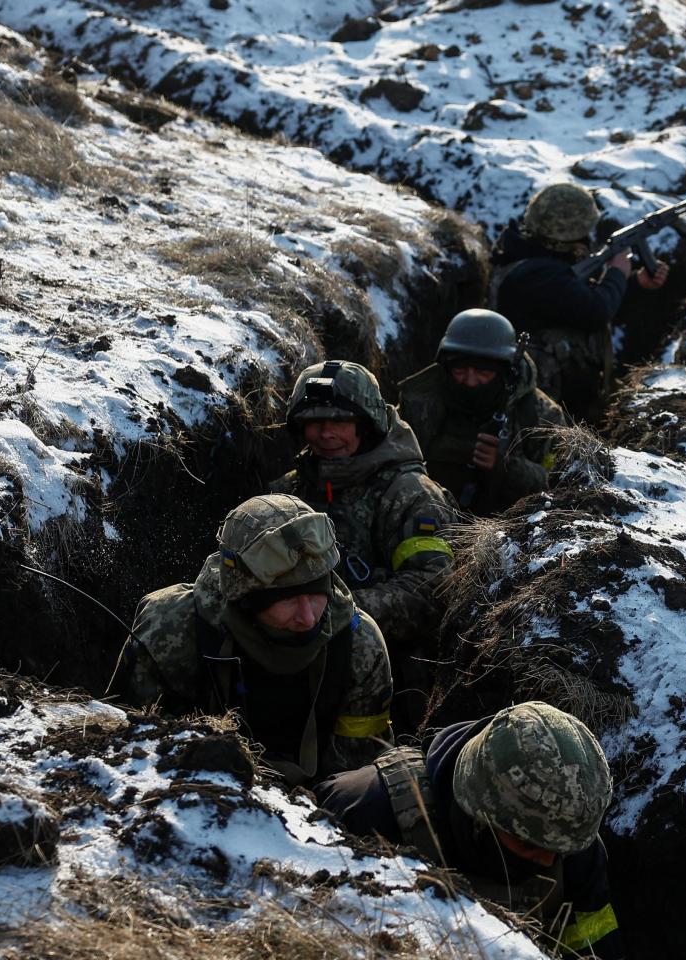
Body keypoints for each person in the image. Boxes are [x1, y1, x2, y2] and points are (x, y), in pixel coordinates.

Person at [313, 702, 623, 958]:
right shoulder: (362, 810)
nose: (547, 862)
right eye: (528, 846)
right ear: (478, 814)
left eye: (560, 851)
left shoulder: (566, 838)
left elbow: (594, 948)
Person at [123, 495, 391, 784]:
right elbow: (130, 754)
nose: (308, 618)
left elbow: (358, 770)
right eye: (288, 600)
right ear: (246, 598)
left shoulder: (358, 643)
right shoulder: (170, 630)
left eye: (316, 595)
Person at [270, 360, 454, 712]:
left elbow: (433, 589)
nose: (325, 433)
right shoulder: (287, 492)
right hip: (294, 658)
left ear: (366, 424)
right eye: (313, 422)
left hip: (395, 672)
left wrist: (339, 611)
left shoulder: (409, 494)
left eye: (339, 421)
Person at [490, 183, 669, 422]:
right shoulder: (538, 276)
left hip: (555, 397)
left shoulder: (532, 259)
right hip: (539, 410)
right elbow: (595, 310)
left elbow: (578, 301)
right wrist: (617, 272)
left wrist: (635, 282)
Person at [397, 309, 568, 517]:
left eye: (483, 373)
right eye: (460, 371)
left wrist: (507, 467)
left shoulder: (541, 415)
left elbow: (561, 484)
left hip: (508, 531)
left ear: (505, 372)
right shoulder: (420, 400)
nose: (470, 381)